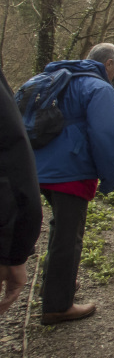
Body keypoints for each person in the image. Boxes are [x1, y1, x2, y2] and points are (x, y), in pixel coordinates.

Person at [35, 43, 114, 324]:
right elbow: (106, 136)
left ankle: (53, 286)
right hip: (71, 171)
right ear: (109, 65)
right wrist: (111, 175)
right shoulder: (98, 88)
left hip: (41, 169)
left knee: (60, 228)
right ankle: (58, 305)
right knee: (70, 235)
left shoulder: (59, 79)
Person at [0, 67, 43, 315]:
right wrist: (14, 252)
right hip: (75, 177)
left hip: (49, 173)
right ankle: (59, 299)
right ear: (109, 64)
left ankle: (57, 293)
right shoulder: (99, 89)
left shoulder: (43, 82)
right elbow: (10, 154)